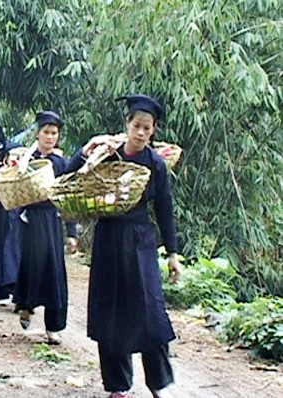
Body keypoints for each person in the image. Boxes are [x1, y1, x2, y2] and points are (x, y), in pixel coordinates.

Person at [66, 94, 182, 398]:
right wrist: (87, 148)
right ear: (126, 125)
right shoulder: (108, 155)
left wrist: (172, 253)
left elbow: (165, 209)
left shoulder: (155, 164)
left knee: (150, 312)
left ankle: (159, 383)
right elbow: (68, 176)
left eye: (147, 127)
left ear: (153, 130)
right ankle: (118, 386)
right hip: (108, 241)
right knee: (111, 312)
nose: (141, 132)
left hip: (140, 242)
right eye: (136, 125)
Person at [13, 110, 77, 345]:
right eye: (46, 132)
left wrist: (71, 232)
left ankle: (53, 327)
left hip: (51, 221)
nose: (50, 137)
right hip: (30, 221)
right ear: (38, 134)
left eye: (54, 133)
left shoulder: (62, 163)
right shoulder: (26, 161)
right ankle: (26, 307)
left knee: (54, 272)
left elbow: (68, 197)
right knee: (31, 266)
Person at [0, 142, 22, 306]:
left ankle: (17, 290)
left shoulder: (26, 172)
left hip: (19, 216)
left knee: (16, 251)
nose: (15, 158)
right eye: (13, 155)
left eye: (19, 155)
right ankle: (0, 290)